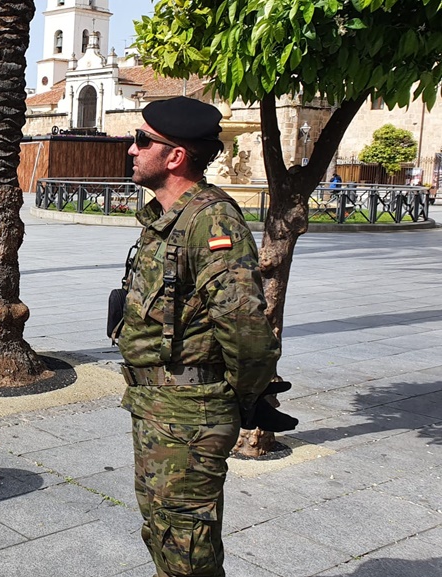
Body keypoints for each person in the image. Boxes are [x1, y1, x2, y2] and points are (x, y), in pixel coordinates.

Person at [117, 97, 284, 577]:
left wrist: (249, 397)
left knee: (187, 551)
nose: (131, 149)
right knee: (164, 535)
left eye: (142, 140)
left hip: (190, 414)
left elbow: (245, 326)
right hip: (157, 407)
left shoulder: (211, 219)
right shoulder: (166, 219)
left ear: (175, 156)